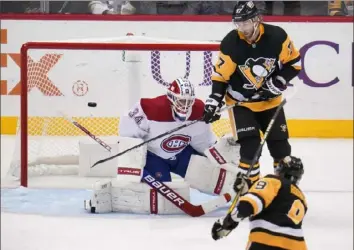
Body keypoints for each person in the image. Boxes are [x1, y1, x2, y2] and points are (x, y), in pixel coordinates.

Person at [85, 78, 242, 215]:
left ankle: (243, 192)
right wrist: (132, 164)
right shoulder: (150, 109)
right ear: (171, 98)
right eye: (181, 101)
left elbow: (203, 142)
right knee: (162, 199)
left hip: (182, 154)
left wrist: (222, 162)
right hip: (155, 156)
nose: (185, 106)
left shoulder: (199, 111)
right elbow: (128, 136)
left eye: (189, 101)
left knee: (212, 178)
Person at [202, 1, 301, 184]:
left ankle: (282, 190)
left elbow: (294, 64)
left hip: (270, 103)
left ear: (256, 19)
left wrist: (278, 82)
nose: (242, 28)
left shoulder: (277, 37)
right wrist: (214, 100)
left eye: (245, 23)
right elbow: (220, 76)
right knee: (250, 147)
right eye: (238, 24)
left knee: (281, 149)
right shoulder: (231, 42)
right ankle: (250, 190)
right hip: (241, 105)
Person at [211, 156, 308, 250]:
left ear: (280, 170)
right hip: (298, 246)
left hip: (267, 241)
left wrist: (227, 222)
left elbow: (247, 206)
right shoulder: (301, 198)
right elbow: (276, 206)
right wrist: (248, 190)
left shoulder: (273, 181)